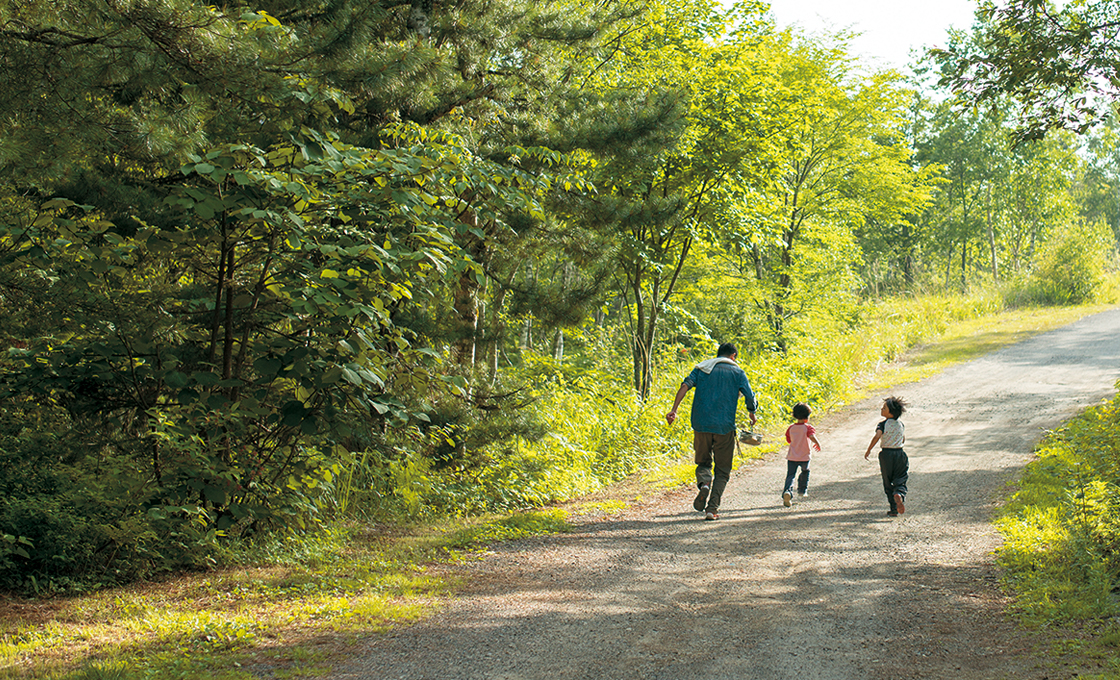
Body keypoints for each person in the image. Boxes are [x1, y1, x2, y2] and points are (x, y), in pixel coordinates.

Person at [666, 342, 758, 521]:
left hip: (700, 424)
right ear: (733, 356)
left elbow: (685, 385)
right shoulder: (737, 372)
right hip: (724, 427)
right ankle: (712, 508)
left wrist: (674, 410)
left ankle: (704, 483)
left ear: (718, 355)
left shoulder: (702, 368)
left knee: (703, 462)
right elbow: (749, 395)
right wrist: (751, 412)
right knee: (722, 470)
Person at [863, 396, 909, 517]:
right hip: (900, 453)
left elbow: (877, 436)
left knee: (888, 481)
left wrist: (869, 449)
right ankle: (899, 493)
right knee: (901, 477)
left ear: (891, 412)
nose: (881, 409)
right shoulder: (901, 424)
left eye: (884, 408)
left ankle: (893, 508)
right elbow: (903, 438)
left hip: (886, 455)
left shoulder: (882, 425)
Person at [782, 402, 821, 507]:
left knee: (790, 475)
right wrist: (817, 443)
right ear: (807, 418)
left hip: (792, 456)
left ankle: (787, 492)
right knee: (805, 471)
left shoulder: (791, 428)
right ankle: (802, 490)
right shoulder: (808, 428)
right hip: (804, 457)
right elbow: (812, 436)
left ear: (794, 415)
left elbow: (789, 440)